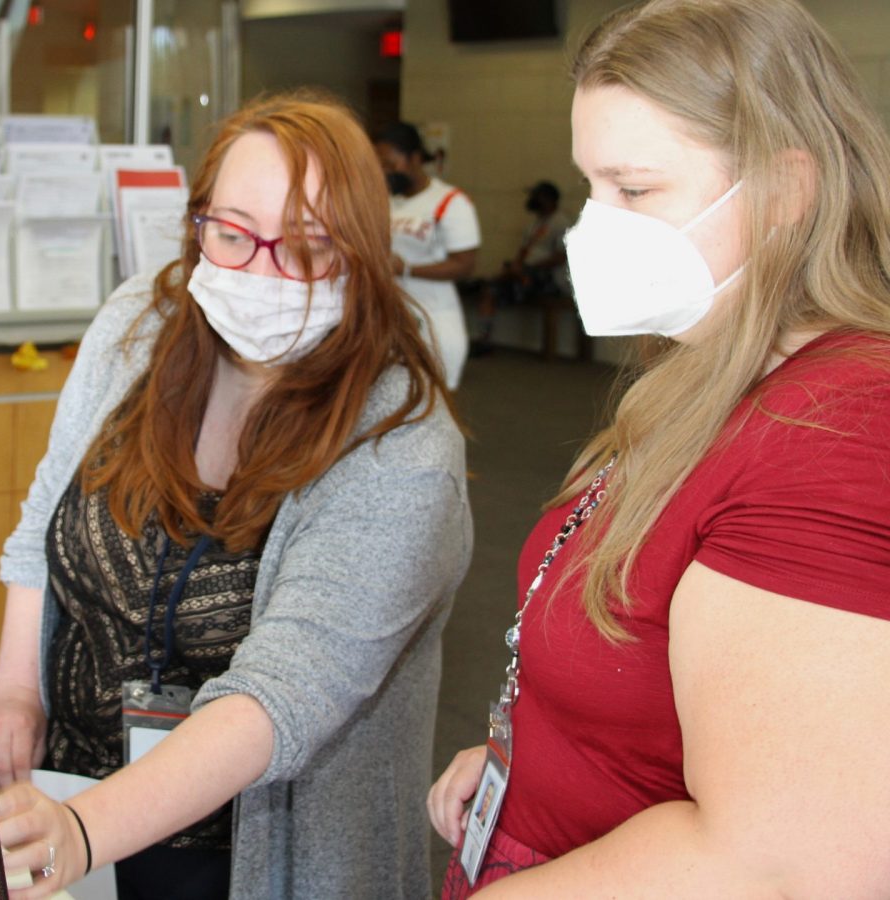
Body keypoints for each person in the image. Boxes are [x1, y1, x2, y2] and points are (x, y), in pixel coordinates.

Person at [429, 0, 890, 896]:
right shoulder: (704, 370)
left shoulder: (842, 427)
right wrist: (523, 753)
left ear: (788, 193)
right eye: (590, 187)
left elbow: (783, 859)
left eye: (634, 190)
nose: (594, 228)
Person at [0, 91, 471, 900]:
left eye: (309, 249)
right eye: (234, 234)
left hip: (249, 856)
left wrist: (82, 831)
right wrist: (16, 689)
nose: (261, 270)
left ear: (364, 254)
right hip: (74, 800)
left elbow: (280, 697)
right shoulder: (142, 323)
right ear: (197, 221)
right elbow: (45, 514)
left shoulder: (403, 451)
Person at [374, 121, 481, 390]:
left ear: (415, 158)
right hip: (394, 318)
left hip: (435, 318)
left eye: (390, 163)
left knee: (437, 407)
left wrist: (407, 269)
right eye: (380, 165)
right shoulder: (387, 202)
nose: (385, 172)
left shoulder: (450, 202)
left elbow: (464, 265)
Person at [468, 181, 571, 355]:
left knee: (496, 286)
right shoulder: (534, 224)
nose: (532, 200)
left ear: (548, 199)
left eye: (537, 196)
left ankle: (494, 281)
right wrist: (517, 265)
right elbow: (523, 252)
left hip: (549, 279)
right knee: (490, 290)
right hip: (525, 274)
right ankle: (483, 338)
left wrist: (527, 268)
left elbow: (561, 257)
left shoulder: (561, 223)